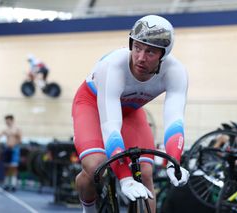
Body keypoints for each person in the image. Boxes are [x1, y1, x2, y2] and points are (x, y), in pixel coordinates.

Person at [72, 15, 190, 212]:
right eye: (137, 48)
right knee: (95, 167)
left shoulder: (176, 71)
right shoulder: (113, 66)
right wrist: (125, 178)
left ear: (163, 55)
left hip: (130, 111)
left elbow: (174, 121)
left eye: (150, 52)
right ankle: (89, 208)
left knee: (145, 173)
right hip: (91, 103)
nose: (141, 57)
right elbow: (110, 125)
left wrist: (173, 163)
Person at [0, 114, 22, 191]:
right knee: (6, 168)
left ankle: (13, 185)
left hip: (14, 150)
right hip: (7, 149)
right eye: (6, 121)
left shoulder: (17, 129)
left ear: (12, 120)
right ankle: (7, 184)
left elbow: (20, 140)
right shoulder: (6, 130)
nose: (7, 122)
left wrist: (14, 145)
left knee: (13, 168)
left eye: (8, 121)